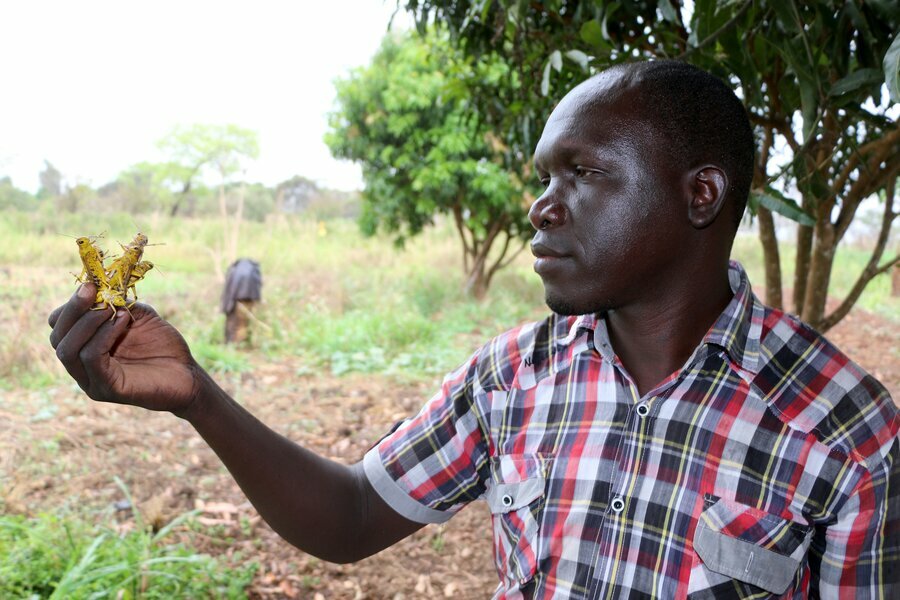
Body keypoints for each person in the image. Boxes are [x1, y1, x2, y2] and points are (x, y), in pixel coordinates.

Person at [49, 60, 897, 599]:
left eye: (583, 172)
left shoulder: (848, 433)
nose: (540, 205)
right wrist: (199, 398)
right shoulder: (512, 378)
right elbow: (349, 518)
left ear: (700, 194)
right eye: (542, 175)